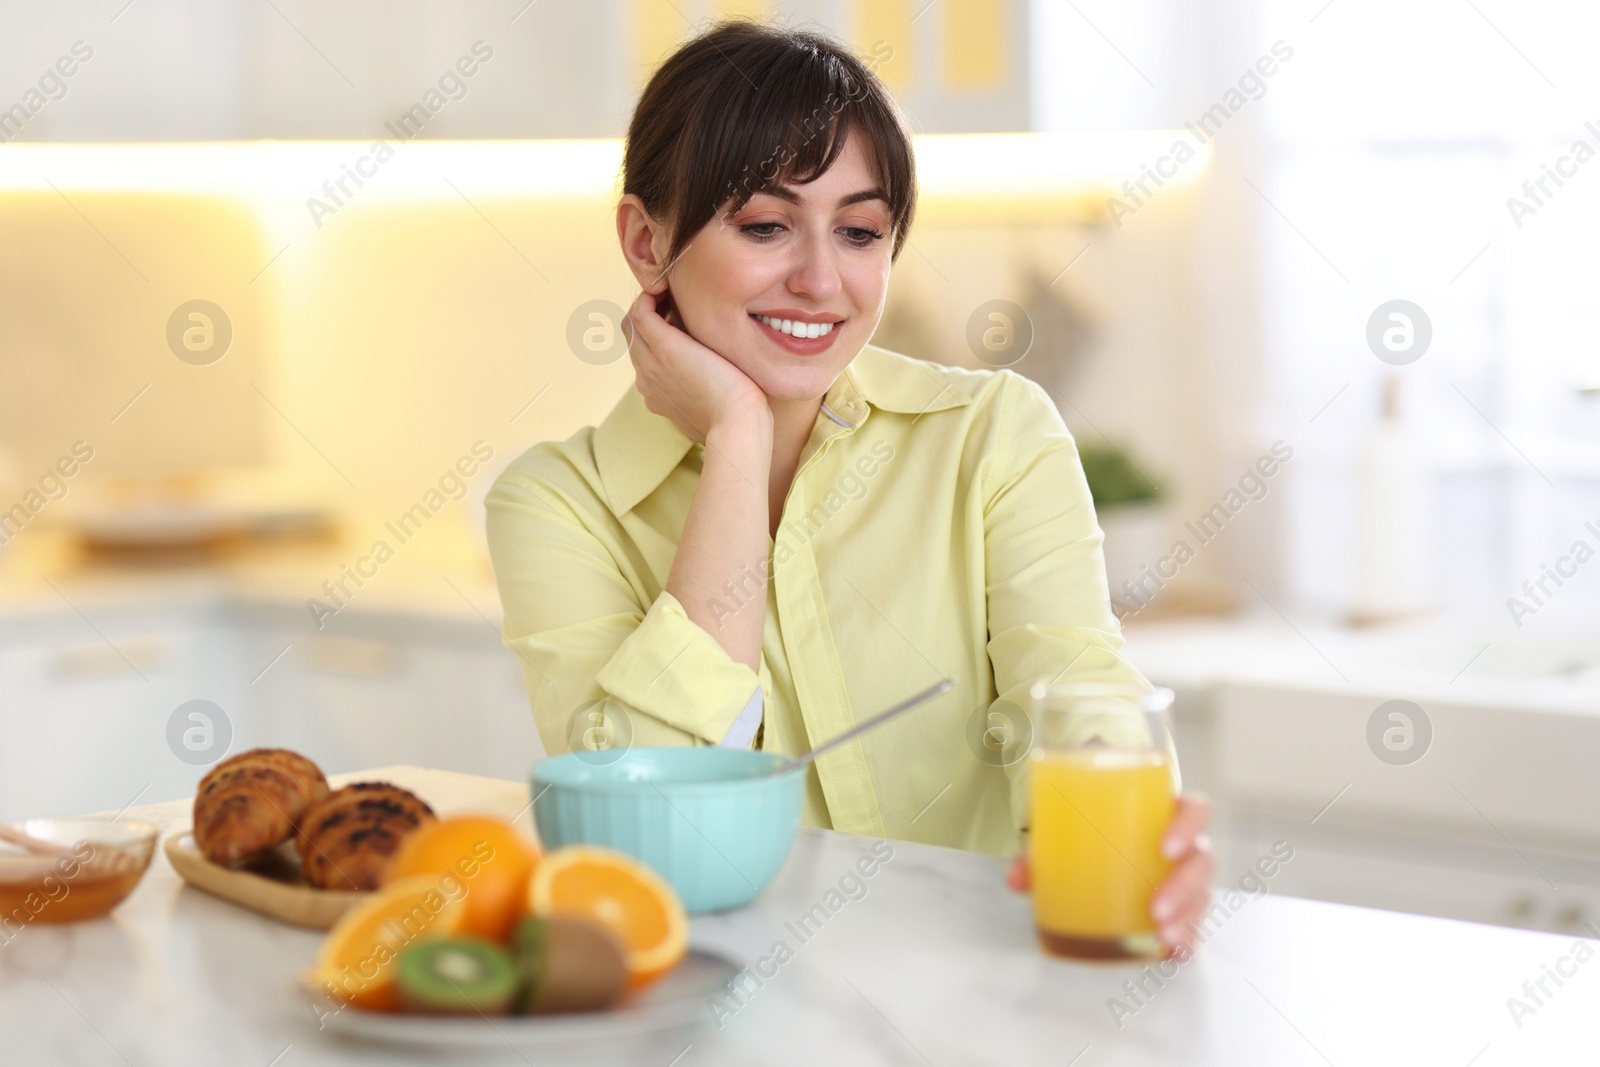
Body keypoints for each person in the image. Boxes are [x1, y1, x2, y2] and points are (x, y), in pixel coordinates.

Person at [484, 19, 1213, 953]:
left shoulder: (993, 436)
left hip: (976, 1005)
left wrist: (1127, 827)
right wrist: (736, 443)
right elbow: (638, 822)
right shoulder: (556, 505)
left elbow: (1075, 689)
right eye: (764, 225)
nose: (821, 279)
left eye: (861, 231)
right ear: (644, 239)